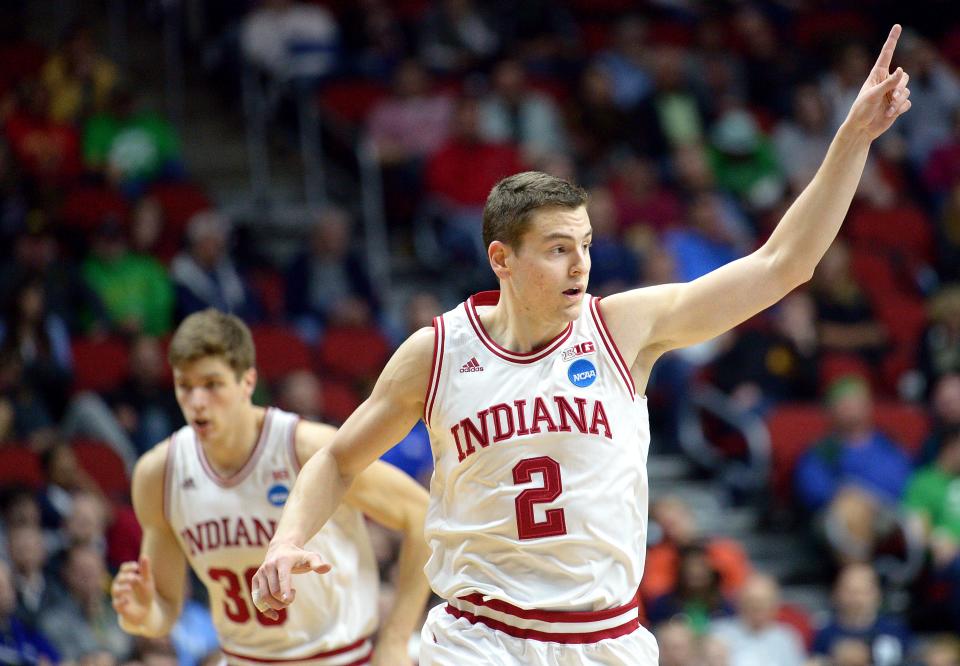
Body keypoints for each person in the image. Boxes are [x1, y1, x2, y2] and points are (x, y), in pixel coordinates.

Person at [254, 25, 912, 665]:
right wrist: (286, 541)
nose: (580, 266)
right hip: (480, 636)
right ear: (501, 260)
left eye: (586, 246)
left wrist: (852, 137)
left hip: (605, 637)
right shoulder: (439, 353)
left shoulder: (625, 328)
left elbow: (781, 265)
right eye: (558, 250)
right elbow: (338, 460)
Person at [110, 309, 431, 665]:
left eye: (212, 384)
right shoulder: (159, 473)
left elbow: (420, 513)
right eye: (185, 386)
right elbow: (165, 610)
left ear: (247, 382)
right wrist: (141, 615)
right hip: (242, 658)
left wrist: (396, 639)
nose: (197, 401)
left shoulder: (307, 448)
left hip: (339, 656)